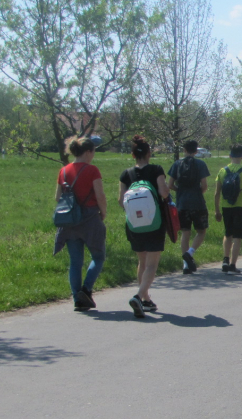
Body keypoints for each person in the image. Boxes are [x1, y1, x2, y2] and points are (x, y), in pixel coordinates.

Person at [53, 136, 107, 311]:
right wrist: (103, 213)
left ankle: (77, 298)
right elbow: (100, 195)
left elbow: (57, 197)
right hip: (90, 218)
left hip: (70, 220)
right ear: (88, 151)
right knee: (98, 257)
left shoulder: (63, 171)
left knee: (75, 261)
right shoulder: (92, 170)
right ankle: (86, 289)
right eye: (93, 152)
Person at [119, 135, 170, 317]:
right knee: (152, 264)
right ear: (149, 153)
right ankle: (139, 296)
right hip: (155, 223)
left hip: (134, 224)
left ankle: (146, 300)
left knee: (142, 262)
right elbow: (164, 193)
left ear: (133, 155)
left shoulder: (126, 174)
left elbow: (121, 201)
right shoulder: (156, 169)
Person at [168, 140, 210, 274]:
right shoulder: (200, 164)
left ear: (184, 150)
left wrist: (179, 190)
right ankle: (190, 253)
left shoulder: (177, 164)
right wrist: (198, 192)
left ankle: (186, 265)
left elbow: (170, 184)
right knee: (201, 231)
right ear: (196, 151)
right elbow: (204, 185)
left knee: (185, 232)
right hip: (197, 202)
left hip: (182, 203)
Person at [214, 144, 242, 274]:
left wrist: (217, 210)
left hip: (226, 207)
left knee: (227, 233)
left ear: (230, 156)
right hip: (240, 206)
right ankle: (233, 264)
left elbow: (217, 193)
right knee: (237, 236)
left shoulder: (222, 171)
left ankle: (225, 259)